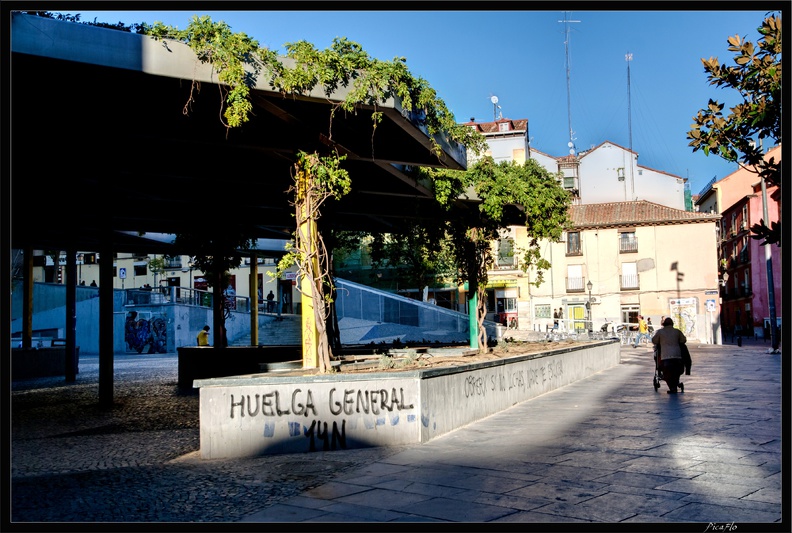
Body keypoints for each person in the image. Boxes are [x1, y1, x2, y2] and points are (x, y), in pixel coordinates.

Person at [652, 317, 687, 393]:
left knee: (667, 373)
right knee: (676, 372)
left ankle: (672, 388)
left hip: (665, 357)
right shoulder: (677, 332)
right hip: (677, 356)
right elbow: (683, 340)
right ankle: (675, 385)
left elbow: (654, 340)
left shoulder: (660, 332)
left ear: (664, 324)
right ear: (672, 324)